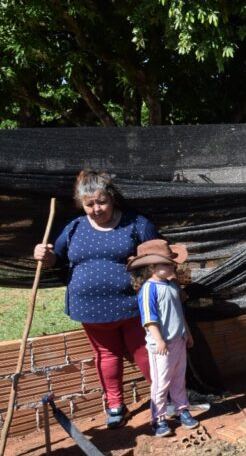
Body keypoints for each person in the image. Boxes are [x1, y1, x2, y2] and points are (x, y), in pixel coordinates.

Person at [32, 170, 159, 428]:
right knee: (105, 355)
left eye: (101, 202)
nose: (96, 209)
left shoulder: (136, 224)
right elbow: (55, 258)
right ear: (81, 204)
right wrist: (43, 256)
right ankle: (115, 404)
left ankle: (163, 397)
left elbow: (158, 257)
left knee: (146, 352)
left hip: (133, 305)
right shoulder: (74, 227)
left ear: (112, 199)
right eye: (89, 204)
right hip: (90, 309)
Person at [128, 240, 199, 437]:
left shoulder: (172, 286)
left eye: (171, 263)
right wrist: (158, 340)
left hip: (178, 339)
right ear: (152, 267)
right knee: (161, 383)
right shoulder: (148, 289)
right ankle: (158, 418)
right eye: (166, 264)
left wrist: (187, 333)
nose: (172, 266)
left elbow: (179, 313)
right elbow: (149, 318)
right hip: (162, 345)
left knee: (179, 378)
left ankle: (181, 409)